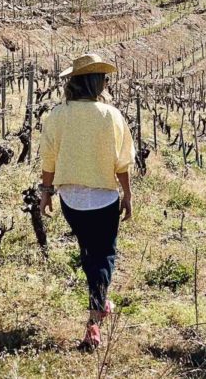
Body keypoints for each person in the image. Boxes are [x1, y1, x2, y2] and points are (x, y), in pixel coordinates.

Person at [38, 53, 134, 350]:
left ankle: (100, 299)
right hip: (104, 198)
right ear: (96, 82)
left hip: (70, 198)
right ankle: (95, 317)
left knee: (87, 251)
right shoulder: (111, 116)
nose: (107, 82)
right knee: (104, 254)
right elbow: (122, 162)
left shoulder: (57, 114)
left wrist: (45, 191)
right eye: (104, 78)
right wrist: (128, 194)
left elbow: (48, 156)